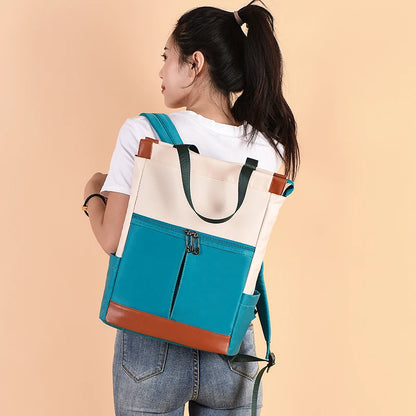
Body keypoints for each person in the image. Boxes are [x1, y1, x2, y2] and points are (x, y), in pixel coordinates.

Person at [83, 1, 300, 415]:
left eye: (166, 57)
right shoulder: (270, 151)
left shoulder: (144, 134)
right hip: (229, 343)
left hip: (151, 339)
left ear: (195, 63)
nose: (161, 71)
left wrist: (93, 192)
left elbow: (112, 239)